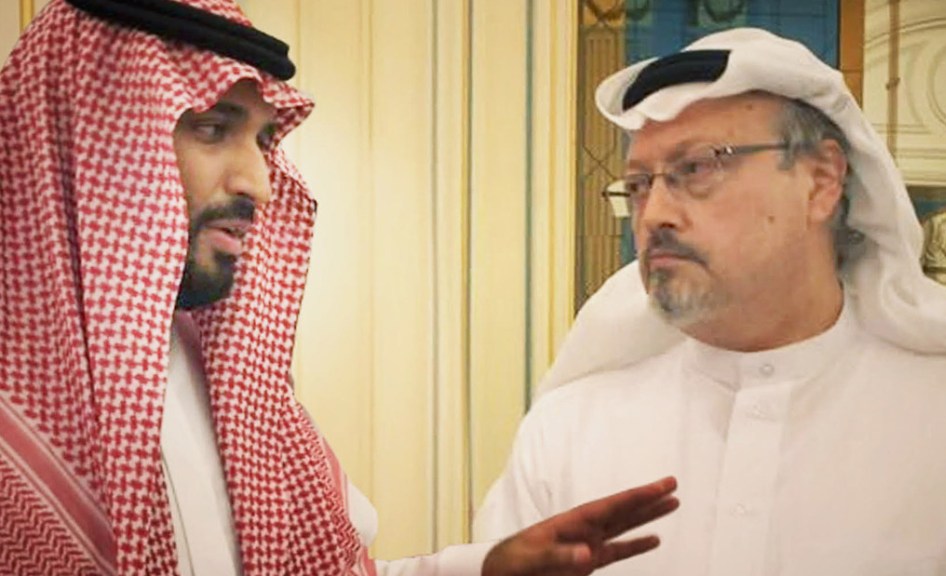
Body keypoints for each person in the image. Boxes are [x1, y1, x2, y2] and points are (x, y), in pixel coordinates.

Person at [0, 0, 679, 574]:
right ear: (87, 135)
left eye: (263, 142)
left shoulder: (234, 387)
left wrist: (487, 567)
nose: (259, 184)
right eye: (212, 130)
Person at [475, 27, 946, 575]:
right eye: (639, 185)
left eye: (697, 167)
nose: (655, 214)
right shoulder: (567, 431)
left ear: (821, 181)